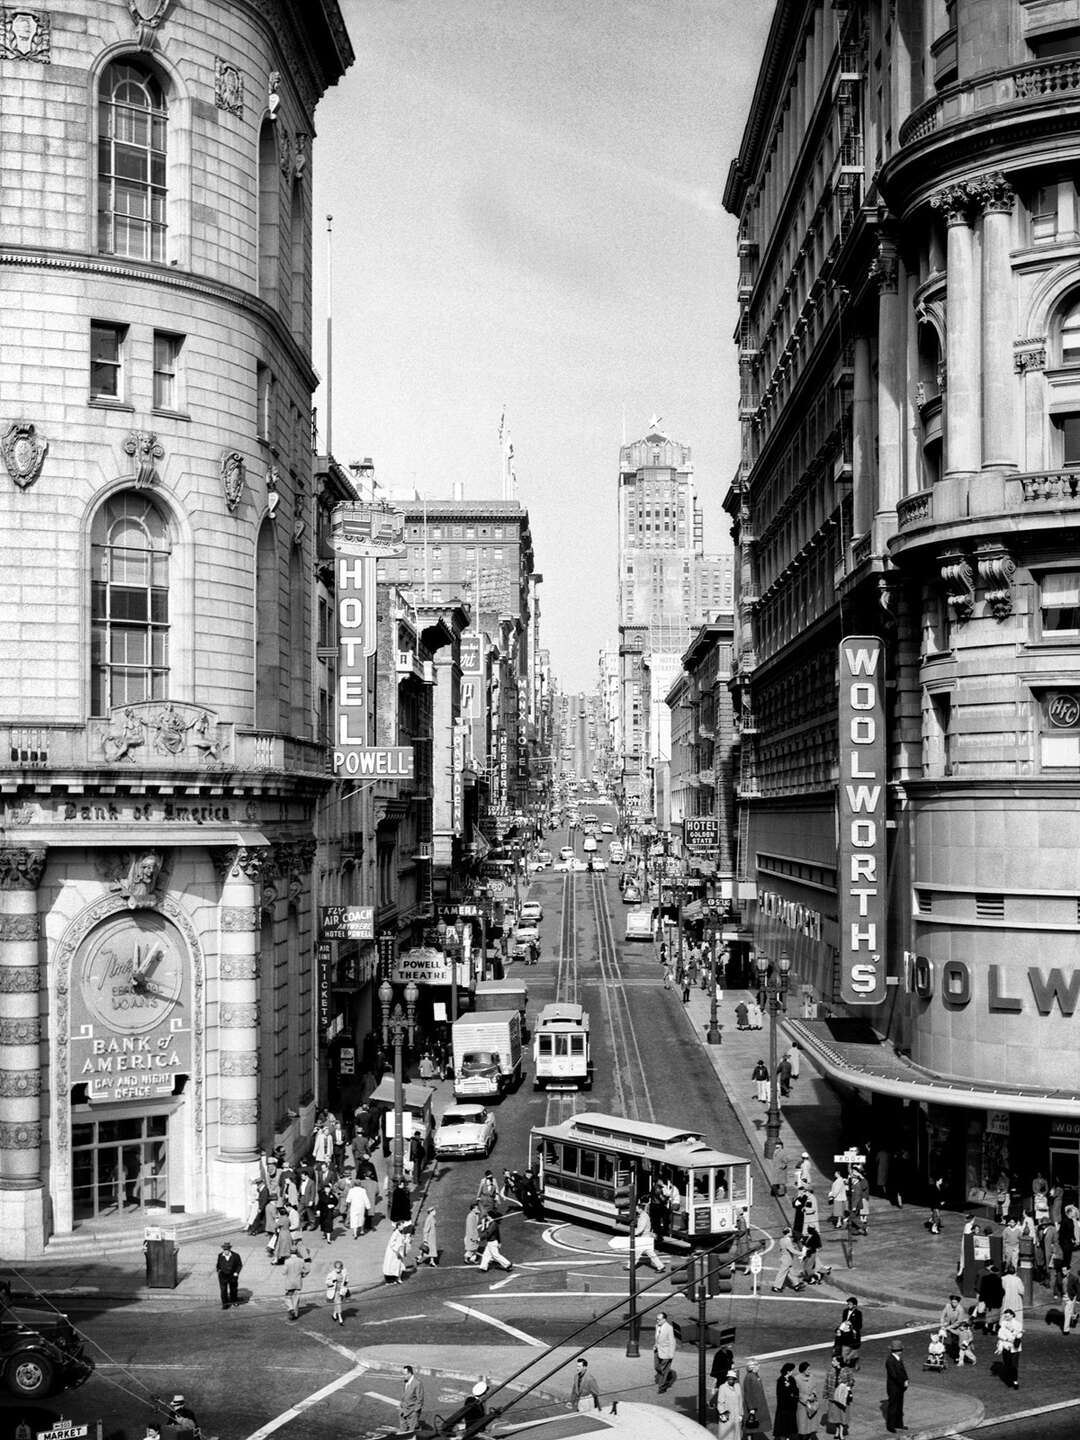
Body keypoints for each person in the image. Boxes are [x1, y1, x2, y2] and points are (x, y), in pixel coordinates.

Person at [822, 1357, 854, 1439]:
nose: (832, 1362)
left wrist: (846, 1385)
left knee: (842, 1415)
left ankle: (841, 1433)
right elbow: (826, 1383)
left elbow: (852, 1381)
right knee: (835, 1416)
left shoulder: (847, 1370)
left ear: (839, 1362)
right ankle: (837, 1431)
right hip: (833, 1396)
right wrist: (825, 1394)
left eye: (834, 1361)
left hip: (842, 1397)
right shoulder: (830, 1371)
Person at [741, 1357, 771, 1440]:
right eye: (757, 1365)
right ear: (752, 1367)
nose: (759, 1366)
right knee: (750, 1427)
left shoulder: (756, 1376)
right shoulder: (749, 1377)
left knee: (755, 1426)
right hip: (752, 1407)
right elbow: (747, 1394)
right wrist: (751, 1408)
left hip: (758, 1406)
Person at [884, 1340, 908, 1433]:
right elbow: (894, 1375)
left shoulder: (898, 1359)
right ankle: (891, 1425)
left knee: (899, 1405)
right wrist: (903, 1382)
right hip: (893, 1387)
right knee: (893, 1406)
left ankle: (899, 1423)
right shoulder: (890, 1361)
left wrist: (906, 1379)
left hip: (899, 1386)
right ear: (899, 1350)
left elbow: (903, 1371)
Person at [772, 1227, 804, 1293]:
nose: (791, 1232)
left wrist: (792, 1247)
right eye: (790, 1231)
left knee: (791, 1273)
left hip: (785, 1258)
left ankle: (796, 1285)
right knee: (782, 1273)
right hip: (787, 1260)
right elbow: (791, 1250)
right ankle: (776, 1287)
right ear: (788, 1232)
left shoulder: (782, 1239)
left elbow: (784, 1248)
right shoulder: (787, 1240)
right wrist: (802, 1253)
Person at [996, 1308, 1022, 1388]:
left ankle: (1015, 1381)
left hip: (1014, 1348)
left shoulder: (1018, 1324)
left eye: (1007, 1316)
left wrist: (1012, 1331)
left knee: (1014, 1365)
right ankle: (1009, 1379)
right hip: (1006, 1346)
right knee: (1007, 1364)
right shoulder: (1003, 1323)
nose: (1006, 1318)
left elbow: (1019, 1335)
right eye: (1005, 1316)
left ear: (1012, 1315)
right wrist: (1005, 1339)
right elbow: (1000, 1334)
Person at [282, 1245, 309, 1320]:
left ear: (290, 1252)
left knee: (288, 1296)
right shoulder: (301, 1260)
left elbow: (283, 1272)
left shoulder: (287, 1261)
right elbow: (307, 1270)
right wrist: (303, 1275)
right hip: (298, 1281)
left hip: (289, 1282)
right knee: (296, 1298)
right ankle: (295, 1314)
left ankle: (291, 1309)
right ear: (297, 1252)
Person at [834, 1297, 863, 1369]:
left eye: (850, 1304)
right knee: (844, 1350)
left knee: (851, 1350)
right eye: (848, 1304)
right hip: (845, 1333)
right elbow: (843, 1321)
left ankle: (852, 1360)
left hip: (852, 1335)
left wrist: (851, 1325)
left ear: (855, 1305)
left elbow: (859, 1325)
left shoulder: (858, 1313)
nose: (848, 1305)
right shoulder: (845, 1311)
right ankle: (847, 1363)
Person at [715, 1370, 744, 1440]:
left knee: (736, 1435)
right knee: (727, 1435)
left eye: (732, 1378)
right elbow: (720, 1403)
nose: (731, 1380)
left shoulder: (738, 1387)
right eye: (729, 1378)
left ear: (735, 1379)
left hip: (736, 1416)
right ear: (727, 1378)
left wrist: (741, 1414)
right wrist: (723, 1414)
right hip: (727, 1416)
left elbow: (740, 1401)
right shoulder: (722, 1387)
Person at [653, 1310, 677, 1393]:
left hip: (666, 1353)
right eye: (656, 1319)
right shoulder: (657, 1326)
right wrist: (655, 1345)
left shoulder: (669, 1328)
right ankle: (668, 1374)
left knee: (663, 1370)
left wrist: (671, 1355)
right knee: (656, 1367)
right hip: (657, 1351)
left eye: (659, 1319)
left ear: (664, 1320)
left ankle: (662, 1387)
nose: (657, 1321)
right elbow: (658, 1337)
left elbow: (672, 1341)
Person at [774, 1363, 799, 1440]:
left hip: (791, 1407)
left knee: (790, 1426)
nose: (792, 1372)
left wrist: (790, 1387)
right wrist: (788, 1389)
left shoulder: (792, 1379)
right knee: (783, 1427)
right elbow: (780, 1395)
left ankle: (788, 1437)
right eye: (791, 1370)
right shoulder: (780, 1380)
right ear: (788, 1371)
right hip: (784, 1408)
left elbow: (796, 1390)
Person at [215, 1239, 242, 1310]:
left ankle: (234, 1300)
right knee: (223, 1290)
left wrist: (236, 1272)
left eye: (227, 1250)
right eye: (224, 1250)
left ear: (229, 1249)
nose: (225, 1251)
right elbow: (218, 1264)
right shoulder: (220, 1255)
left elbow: (239, 1265)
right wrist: (218, 1270)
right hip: (223, 1276)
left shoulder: (236, 1256)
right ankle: (225, 1304)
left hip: (232, 1276)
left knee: (233, 1289)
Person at [399, 1364, 426, 1435]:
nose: (403, 1376)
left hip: (412, 1412)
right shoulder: (406, 1381)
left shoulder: (417, 1383)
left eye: (404, 1374)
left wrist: (415, 1412)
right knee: (402, 1432)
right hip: (403, 1410)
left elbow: (420, 1399)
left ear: (410, 1373)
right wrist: (401, 1406)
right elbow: (404, 1394)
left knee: (411, 1433)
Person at [794, 1361, 818, 1440]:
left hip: (811, 1404)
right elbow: (796, 1392)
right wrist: (806, 1398)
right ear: (803, 1370)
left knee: (811, 1424)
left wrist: (813, 1395)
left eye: (810, 1369)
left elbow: (814, 1387)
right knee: (802, 1424)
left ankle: (809, 1436)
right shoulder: (796, 1379)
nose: (809, 1371)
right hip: (802, 1405)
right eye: (808, 1369)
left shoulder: (812, 1377)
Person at [939, 1293, 965, 1363]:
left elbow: (959, 1322)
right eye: (952, 1302)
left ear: (958, 1302)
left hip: (957, 1327)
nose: (953, 1304)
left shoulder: (960, 1310)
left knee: (955, 1341)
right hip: (949, 1323)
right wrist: (942, 1323)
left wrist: (949, 1327)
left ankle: (957, 1356)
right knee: (944, 1336)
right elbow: (943, 1314)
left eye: (955, 1302)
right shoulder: (948, 1306)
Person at [325, 1258, 349, 1325]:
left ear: (341, 1268)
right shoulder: (331, 1274)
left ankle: (334, 1315)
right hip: (335, 1291)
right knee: (338, 1304)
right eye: (336, 1268)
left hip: (341, 1291)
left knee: (338, 1303)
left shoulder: (344, 1272)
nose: (338, 1269)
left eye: (339, 1268)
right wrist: (332, 1282)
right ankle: (340, 1318)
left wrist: (345, 1285)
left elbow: (347, 1280)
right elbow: (327, 1282)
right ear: (334, 1268)